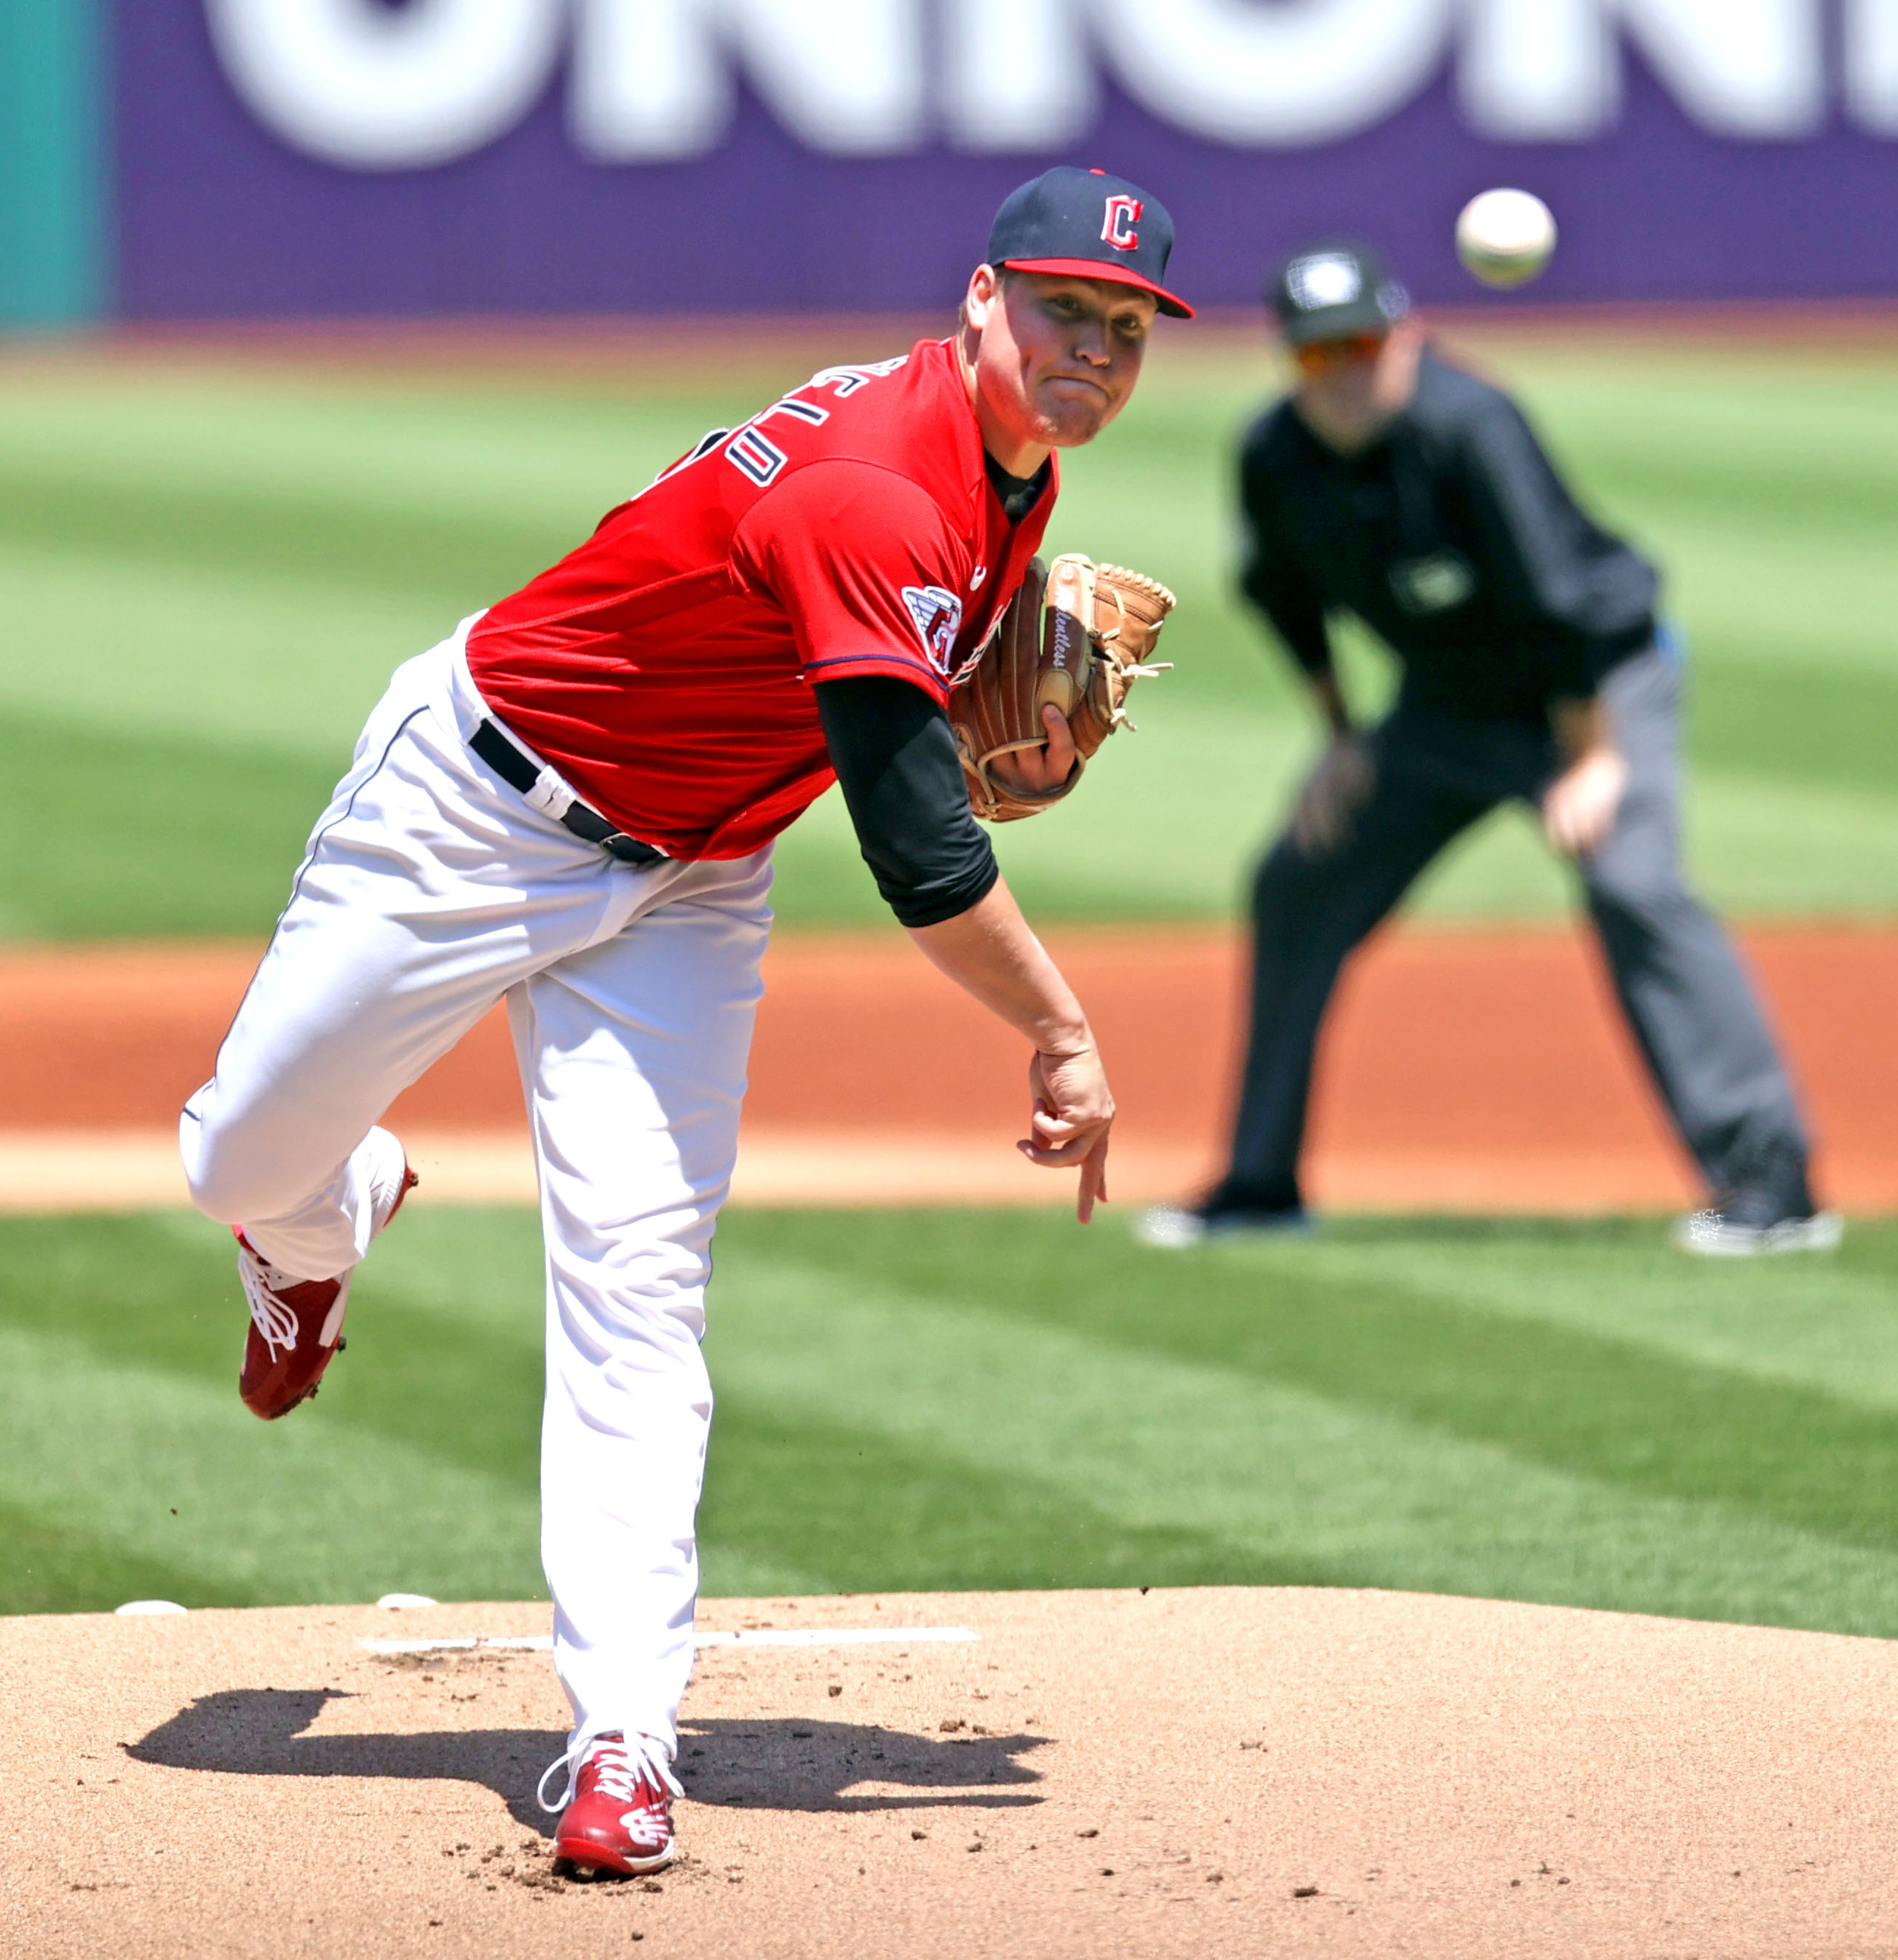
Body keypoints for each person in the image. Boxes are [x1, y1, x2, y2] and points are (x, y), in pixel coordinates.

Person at [179, 168, 1192, 1875]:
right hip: (475, 804)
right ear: (977, 301)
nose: (1090, 346)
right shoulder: (886, 487)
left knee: (637, 1281)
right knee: (234, 1152)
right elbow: (919, 847)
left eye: (1124, 325)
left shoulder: (1007, 461)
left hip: (694, 872)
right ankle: (320, 1221)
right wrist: (1064, 1027)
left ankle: (623, 1740)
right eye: (1058, 309)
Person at [1142, 241, 1836, 1259]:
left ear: (1406, 336)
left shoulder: (1469, 426)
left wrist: (1594, 757)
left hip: (1599, 684)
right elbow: (1282, 597)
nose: (1341, 375)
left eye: (1361, 345)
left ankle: (1773, 1183)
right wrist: (1341, 740)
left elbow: (1564, 602)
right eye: (1314, 357)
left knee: (1633, 882)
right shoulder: (1273, 457)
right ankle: (1260, 1181)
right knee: (1299, 882)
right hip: (1444, 711)